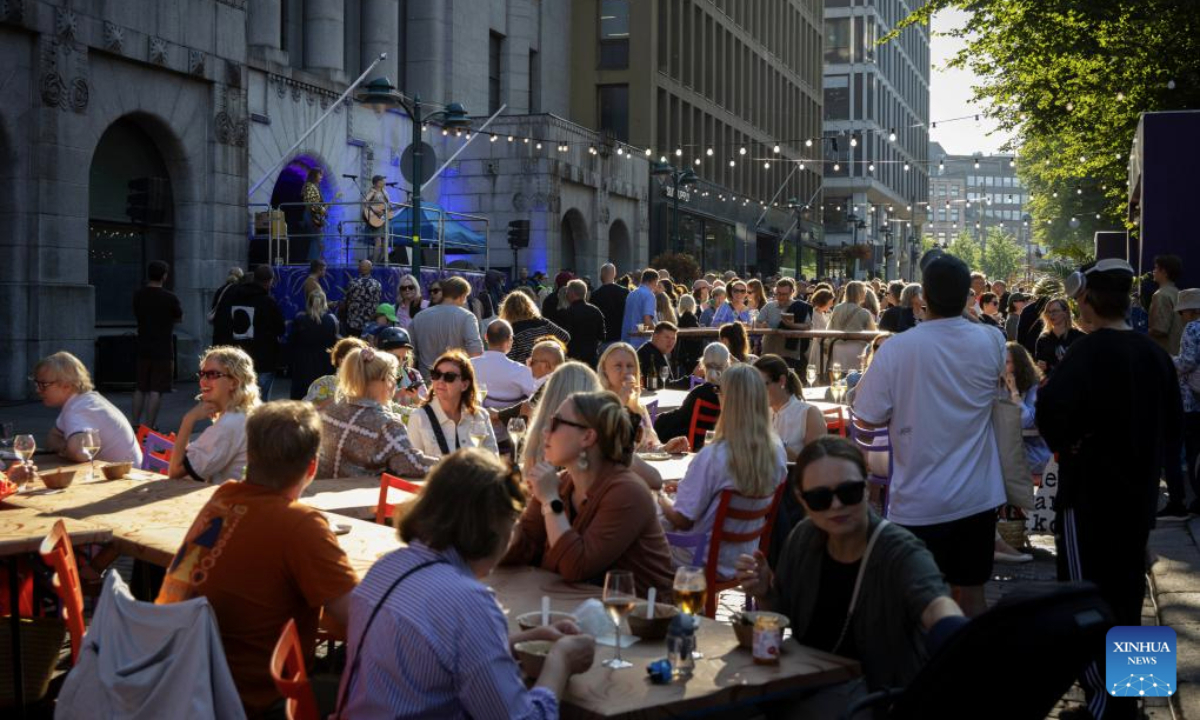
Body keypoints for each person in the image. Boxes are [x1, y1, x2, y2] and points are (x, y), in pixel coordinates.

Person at [336, 448, 595, 717]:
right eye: (512, 522)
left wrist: (521, 642)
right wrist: (560, 663)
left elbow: (436, 657)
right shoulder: (467, 600)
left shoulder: (387, 567)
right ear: (494, 527)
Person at [1036, 258, 1181, 720]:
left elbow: (1051, 413)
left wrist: (1074, 443)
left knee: (1084, 596)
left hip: (1090, 496)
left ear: (1089, 303)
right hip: (1139, 497)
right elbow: (1174, 426)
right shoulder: (1154, 354)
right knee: (1127, 594)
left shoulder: (1087, 352)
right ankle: (1135, 698)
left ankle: (1103, 708)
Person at [157, 401, 359, 717]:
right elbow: (359, 617)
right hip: (251, 701)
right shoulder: (300, 525)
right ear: (312, 468)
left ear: (250, 457)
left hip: (182, 680)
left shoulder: (222, 498)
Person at [736, 437, 963, 701]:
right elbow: (782, 615)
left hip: (874, 699)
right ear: (802, 499)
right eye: (820, 497)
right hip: (806, 684)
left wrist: (954, 630)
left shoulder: (897, 550)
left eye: (849, 492)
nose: (836, 505)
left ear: (867, 487)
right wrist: (765, 592)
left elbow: (935, 604)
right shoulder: (803, 538)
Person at [851, 251, 1006, 618]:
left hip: (918, 498)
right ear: (968, 293)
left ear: (923, 299)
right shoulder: (993, 342)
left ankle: (926, 673)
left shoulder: (896, 350)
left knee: (918, 602)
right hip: (977, 494)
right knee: (971, 595)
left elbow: (867, 416)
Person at [501, 390, 676, 597]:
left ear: (587, 436)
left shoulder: (627, 492)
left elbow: (577, 567)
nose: (545, 431)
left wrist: (550, 501)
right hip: (576, 610)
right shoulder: (561, 483)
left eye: (556, 423)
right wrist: (503, 511)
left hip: (640, 620)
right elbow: (522, 549)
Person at [658, 365, 788, 576]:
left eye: (719, 391)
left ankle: (645, 601)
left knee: (637, 529)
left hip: (699, 558)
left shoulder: (714, 455)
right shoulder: (777, 450)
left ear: (728, 400)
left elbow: (683, 519)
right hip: (744, 558)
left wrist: (660, 495)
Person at [318, 347, 440, 478]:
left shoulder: (332, 411)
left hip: (321, 492)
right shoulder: (387, 425)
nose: (395, 382)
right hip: (358, 496)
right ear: (387, 380)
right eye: (394, 376)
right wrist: (451, 463)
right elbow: (412, 465)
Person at [167, 347, 260, 484]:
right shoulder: (245, 413)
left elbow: (175, 473)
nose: (203, 381)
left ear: (234, 382)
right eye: (202, 374)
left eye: (212, 375)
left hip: (233, 501)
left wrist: (188, 420)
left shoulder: (229, 423)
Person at [33, 352, 143, 466]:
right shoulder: (84, 401)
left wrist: (63, 449)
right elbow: (52, 439)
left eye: (43, 384)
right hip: (123, 472)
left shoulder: (79, 410)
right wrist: (67, 448)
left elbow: (80, 453)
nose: (37, 390)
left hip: (124, 477)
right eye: (36, 383)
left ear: (67, 385)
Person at [597, 343, 689, 454]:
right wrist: (620, 402)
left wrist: (665, 448)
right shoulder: (596, 404)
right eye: (618, 366)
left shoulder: (638, 406)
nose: (625, 371)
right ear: (604, 370)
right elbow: (601, 447)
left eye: (630, 366)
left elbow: (649, 447)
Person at [408, 350, 498, 458]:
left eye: (449, 377)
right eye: (436, 374)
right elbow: (414, 464)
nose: (440, 381)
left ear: (464, 385)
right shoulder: (418, 417)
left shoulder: (480, 416)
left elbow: (493, 459)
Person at [214, 265, 285, 400]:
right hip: (262, 358)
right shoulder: (268, 302)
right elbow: (280, 329)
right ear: (269, 281)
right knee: (259, 399)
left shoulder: (231, 297)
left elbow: (221, 323)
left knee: (236, 398)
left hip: (236, 355)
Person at [472, 320, 539, 454]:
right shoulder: (521, 371)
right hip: (507, 441)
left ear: (486, 337)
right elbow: (536, 400)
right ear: (510, 340)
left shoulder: (469, 366)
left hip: (473, 435)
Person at [132, 260, 182, 429]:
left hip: (142, 345)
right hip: (162, 348)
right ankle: (148, 427)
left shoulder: (139, 295)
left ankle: (134, 424)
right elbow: (179, 317)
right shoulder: (170, 298)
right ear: (164, 276)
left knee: (140, 387)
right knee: (156, 389)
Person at [653, 342, 729, 450]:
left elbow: (679, 417)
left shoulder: (699, 393)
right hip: (723, 449)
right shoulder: (731, 393)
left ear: (703, 364)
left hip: (696, 448)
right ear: (727, 364)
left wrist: (658, 418)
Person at [755, 354, 826, 461]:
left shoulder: (809, 414)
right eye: (754, 386)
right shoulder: (760, 413)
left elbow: (817, 465)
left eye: (761, 385)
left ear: (782, 381)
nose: (757, 391)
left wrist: (777, 445)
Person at [410, 277, 485, 377]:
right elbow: (476, 352)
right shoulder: (467, 317)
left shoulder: (419, 317)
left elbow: (410, 354)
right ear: (462, 296)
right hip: (455, 380)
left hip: (426, 380)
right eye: (466, 297)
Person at [1003, 343, 1051, 475]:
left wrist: (1014, 392)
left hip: (1033, 452)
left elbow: (1026, 421)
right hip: (1009, 448)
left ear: (1018, 365)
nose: (1002, 367)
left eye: (1006, 362)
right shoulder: (998, 385)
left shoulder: (1034, 387)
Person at [1172, 289, 1200, 516]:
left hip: (1192, 398)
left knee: (1194, 450)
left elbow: (1187, 362)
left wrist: (1170, 361)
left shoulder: (1192, 328)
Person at [287, 290, 340, 400]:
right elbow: (337, 342)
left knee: (301, 398)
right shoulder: (332, 320)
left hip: (303, 364)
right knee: (323, 398)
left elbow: (291, 342)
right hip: (325, 364)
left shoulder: (300, 319)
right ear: (324, 303)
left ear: (308, 302)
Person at [498, 290, 571, 364]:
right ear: (529, 306)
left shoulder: (511, 332)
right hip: (549, 367)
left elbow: (508, 359)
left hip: (527, 372)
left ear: (507, 310)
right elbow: (565, 337)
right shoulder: (543, 322)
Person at [304, 336, 369, 409]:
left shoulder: (370, 384)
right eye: (356, 359)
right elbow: (308, 411)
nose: (362, 364)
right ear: (341, 360)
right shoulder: (325, 383)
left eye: (364, 360)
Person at [827, 281, 876, 371]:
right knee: (854, 379)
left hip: (837, 347)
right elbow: (873, 334)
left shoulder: (837, 308)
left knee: (837, 379)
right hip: (857, 350)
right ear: (860, 293)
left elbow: (829, 328)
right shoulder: (864, 313)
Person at [557, 279, 607, 367]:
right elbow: (602, 336)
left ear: (572, 293)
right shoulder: (596, 311)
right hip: (592, 359)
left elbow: (563, 337)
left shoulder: (567, 313)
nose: (566, 294)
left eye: (567, 292)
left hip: (572, 360)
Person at [377, 326, 426, 407]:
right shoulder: (374, 376)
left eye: (404, 358)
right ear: (382, 354)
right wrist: (393, 395)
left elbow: (426, 406)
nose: (400, 363)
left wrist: (416, 397)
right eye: (396, 358)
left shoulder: (413, 374)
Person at [1034, 297, 1084, 375]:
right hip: (1051, 384)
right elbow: (1039, 367)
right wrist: (1039, 366)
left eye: (1055, 311)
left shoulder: (1079, 337)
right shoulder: (1043, 339)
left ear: (1065, 313)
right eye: (1048, 312)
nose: (1051, 315)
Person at [1016, 277, 1063, 355]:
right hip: (1054, 355)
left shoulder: (1028, 310)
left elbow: (1020, 337)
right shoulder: (1062, 310)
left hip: (1031, 354)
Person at [1150, 254, 1185, 355]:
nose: (1154, 271)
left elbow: (1160, 329)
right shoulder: (1178, 293)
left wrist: (1143, 332)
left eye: (1156, 268)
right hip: (1178, 352)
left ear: (1164, 272)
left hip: (1165, 353)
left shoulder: (1160, 295)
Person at [591, 263, 628, 351]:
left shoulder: (595, 295)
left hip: (603, 340)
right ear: (614, 274)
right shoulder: (625, 293)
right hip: (621, 338)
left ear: (601, 275)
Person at [620, 269, 660, 347]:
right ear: (653, 281)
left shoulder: (631, 294)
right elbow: (647, 320)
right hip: (641, 343)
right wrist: (658, 331)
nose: (656, 285)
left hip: (626, 341)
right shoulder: (649, 295)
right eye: (657, 282)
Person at [342, 259, 382, 337]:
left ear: (359, 269)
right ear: (371, 269)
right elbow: (377, 303)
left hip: (353, 325)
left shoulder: (353, 283)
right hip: (369, 325)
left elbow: (346, 302)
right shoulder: (377, 285)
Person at [636, 321, 678, 387]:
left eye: (673, 338)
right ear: (655, 336)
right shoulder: (650, 354)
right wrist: (689, 380)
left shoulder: (655, 350)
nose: (671, 342)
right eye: (667, 337)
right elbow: (664, 386)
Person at [362, 175, 393, 263]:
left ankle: (379, 263)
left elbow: (387, 206)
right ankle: (373, 263)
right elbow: (365, 202)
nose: (384, 182)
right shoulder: (373, 191)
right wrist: (375, 209)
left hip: (383, 219)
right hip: (375, 219)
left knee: (385, 244)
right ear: (378, 183)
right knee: (378, 242)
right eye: (382, 181)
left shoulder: (385, 192)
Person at [299, 167, 328, 262]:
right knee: (316, 239)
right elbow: (312, 204)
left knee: (317, 239)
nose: (321, 177)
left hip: (312, 214)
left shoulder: (313, 186)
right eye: (320, 174)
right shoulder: (310, 186)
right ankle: (313, 261)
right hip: (311, 214)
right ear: (314, 175)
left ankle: (315, 261)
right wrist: (322, 209)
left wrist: (322, 209)